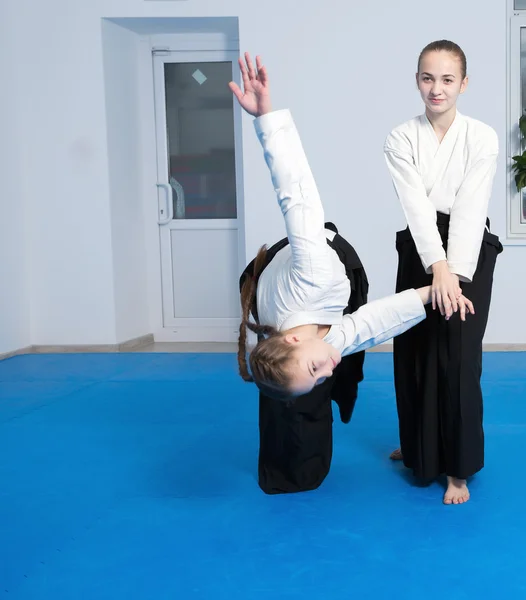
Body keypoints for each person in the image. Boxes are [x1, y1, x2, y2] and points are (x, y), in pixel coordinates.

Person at [229, 52, 474, 494]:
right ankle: (291, 452)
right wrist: (426, 295)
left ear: (294, 339)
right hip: (286, 315)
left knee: (336, 369)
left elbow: (295, 193)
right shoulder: (291, 350)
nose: (329, 365)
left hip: (325, 268)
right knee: (297, 387)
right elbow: (370, 329)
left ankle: (332, 395)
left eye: (316, 365)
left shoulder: (313, 269)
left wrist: (265, 116)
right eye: (322, 372)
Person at [384, 40, 503, 505]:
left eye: (447, 79)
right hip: (420, 247)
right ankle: (418, 446)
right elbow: (415, 205)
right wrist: (435, 267)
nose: (437, 88)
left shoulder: (482, 136)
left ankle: (457, 468)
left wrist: (453, 273)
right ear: (417, 80)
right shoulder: (400, 137)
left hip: (469, 249)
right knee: (412, 347)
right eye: (428, 78)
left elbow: (472, 206)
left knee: (456, 357)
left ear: (464, 84)